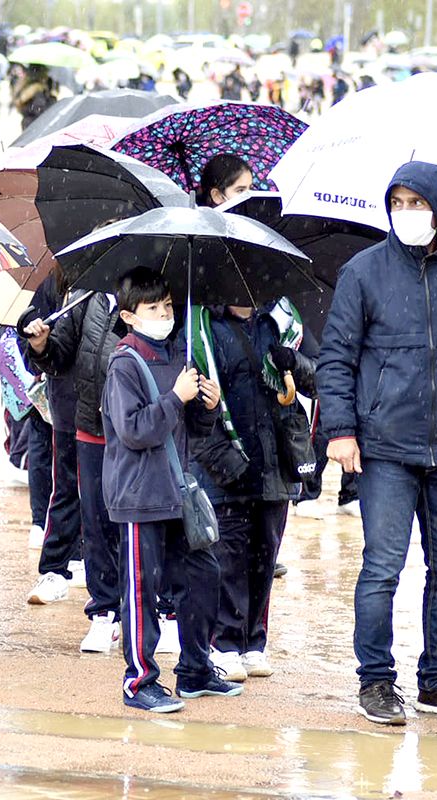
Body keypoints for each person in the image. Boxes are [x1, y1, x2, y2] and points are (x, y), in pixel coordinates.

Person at [318, 161, 437, 725]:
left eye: (418, 204)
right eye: (398, 203)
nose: (408, 214)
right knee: (383, 568)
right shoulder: (362, 273)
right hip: (385, 447)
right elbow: (336, 358)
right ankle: (375, 681)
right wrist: (341, 431)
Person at [193, 156, 314, 680]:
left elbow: (312, 380)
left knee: (266, 552)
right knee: (229, 552)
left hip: (275, 459)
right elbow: (197, 391)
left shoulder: (279, 320)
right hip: (225, 457)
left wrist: (293, 365)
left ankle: (254, 641)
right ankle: (223, 639)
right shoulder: (203, 324)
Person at [100, 267, 240, 713]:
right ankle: (139, 681)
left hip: (176, 491)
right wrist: (176, 398)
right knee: (143, 586)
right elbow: (136, 430)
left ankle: (196, 669)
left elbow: (188, 433)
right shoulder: (125, 361)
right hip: (139, 494)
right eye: (152, 308)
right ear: (128, 315)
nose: (163, 314)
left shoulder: (178, 356)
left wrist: (207, 408)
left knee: (204, 574)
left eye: (167, 306)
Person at [22, 288, 127, 653]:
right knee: (94, 517)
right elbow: (58, 355)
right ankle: (104, 612)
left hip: (139, 429)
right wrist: (40, 345)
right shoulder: (85, 299)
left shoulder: (157, 295)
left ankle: (156, 609)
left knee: (140, 522)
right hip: (88, 423)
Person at [22, 273, 83, 605]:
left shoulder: (135, 290)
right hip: (70, 405)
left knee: (110, 495)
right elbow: (53, 354)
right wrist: (40, 344)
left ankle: (102, 576)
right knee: (66, 486)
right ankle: (55, 568)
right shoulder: (61, 284)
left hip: (118, 410)